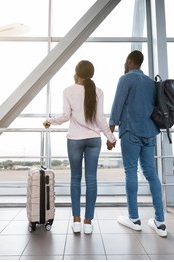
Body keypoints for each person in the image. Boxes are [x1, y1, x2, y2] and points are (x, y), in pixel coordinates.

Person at [43, 60, 116, 234]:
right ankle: (88, 222)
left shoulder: (68, 91)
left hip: (74, 140)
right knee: (91, 180)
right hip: (94, 140)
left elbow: (65, 116)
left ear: (76, 73)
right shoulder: (98, 91)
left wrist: (50, 121)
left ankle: (76, 220)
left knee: (75, 178)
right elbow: (100, 118)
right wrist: (111, 137)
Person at [107, 50, 167, 237]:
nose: (124, 65)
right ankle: (160, 222)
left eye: (125, 61)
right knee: (151, 173)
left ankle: (134, 218)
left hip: (131, 131)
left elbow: (117, 106)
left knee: (130, 172)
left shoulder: (125, 79)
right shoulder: (151, 82)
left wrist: (110, 135)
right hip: (149, 133)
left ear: (131, 61)